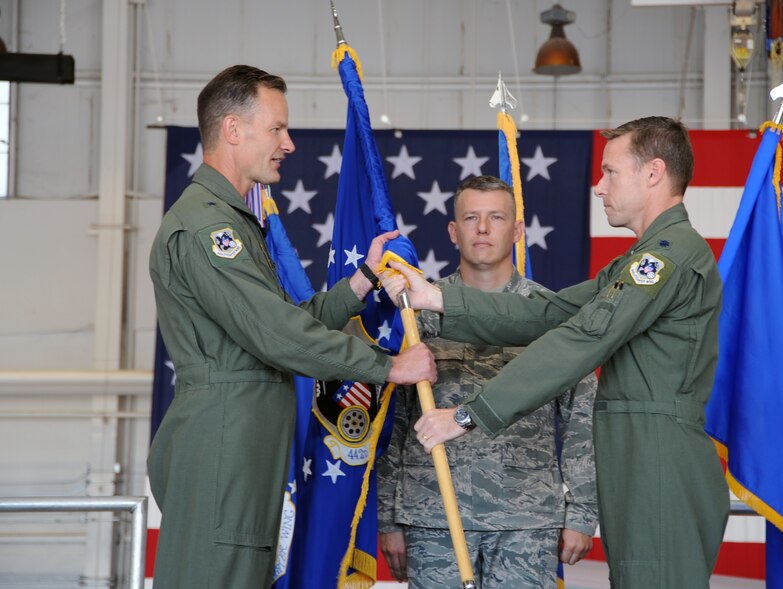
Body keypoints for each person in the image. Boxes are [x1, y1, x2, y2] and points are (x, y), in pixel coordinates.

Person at [383, 117, 730, 589]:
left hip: (657, 455)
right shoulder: (640, 258)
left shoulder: (664, 257)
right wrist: (436, 299)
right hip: (637, 449)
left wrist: (467, 416)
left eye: (611, 172)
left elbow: (583, 338)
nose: (599, 186)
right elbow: (549, 313)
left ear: (653, 172)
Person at [147, 65, 436, 589]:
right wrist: (388, 366)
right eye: (278, 128)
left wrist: (362, 280)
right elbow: (276, 336)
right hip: (224, 445)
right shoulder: (211, 227)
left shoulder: (232, 221)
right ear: (233, 129)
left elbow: (283, 320)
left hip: (241, 441)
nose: (290, 143)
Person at [376, 176, 598, 588]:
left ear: (516, 231)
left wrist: (583, 513)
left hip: (526, 522)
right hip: (434, 517)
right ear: (453, 231)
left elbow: (581, 419)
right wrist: (389, 515)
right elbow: (395, 422)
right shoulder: (416, 313)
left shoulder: (550, 315)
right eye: (471, 217)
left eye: (496, 217)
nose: (482, 228)